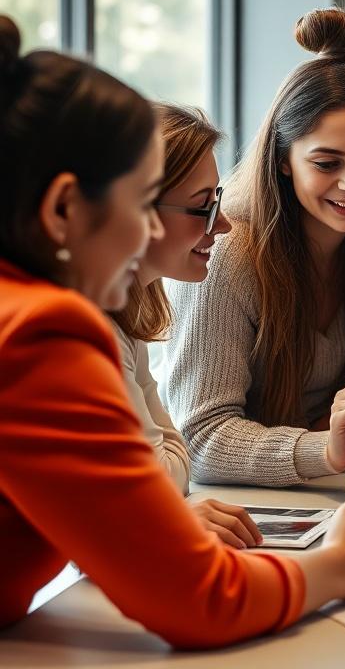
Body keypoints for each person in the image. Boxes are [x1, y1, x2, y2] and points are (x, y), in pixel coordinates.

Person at [0, 15, 345, 647]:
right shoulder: (36, 333)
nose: (206, 235)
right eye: (144, 205)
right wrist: (342, 567)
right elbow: (199, 601)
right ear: (62, 210)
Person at [166, 7, 345, 487]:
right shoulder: (226, 253)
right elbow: (199, 437)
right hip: (239, 498)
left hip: (325, 490)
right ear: (284, 161)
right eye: (326, 163)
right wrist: (324, 447)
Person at [110, 103, 262, 548]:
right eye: (203, 208)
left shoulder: (127, 313)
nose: (225, 224)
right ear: (138, 210)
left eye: (218, 201)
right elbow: (163, 472)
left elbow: (174, 465)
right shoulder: (87, 325)